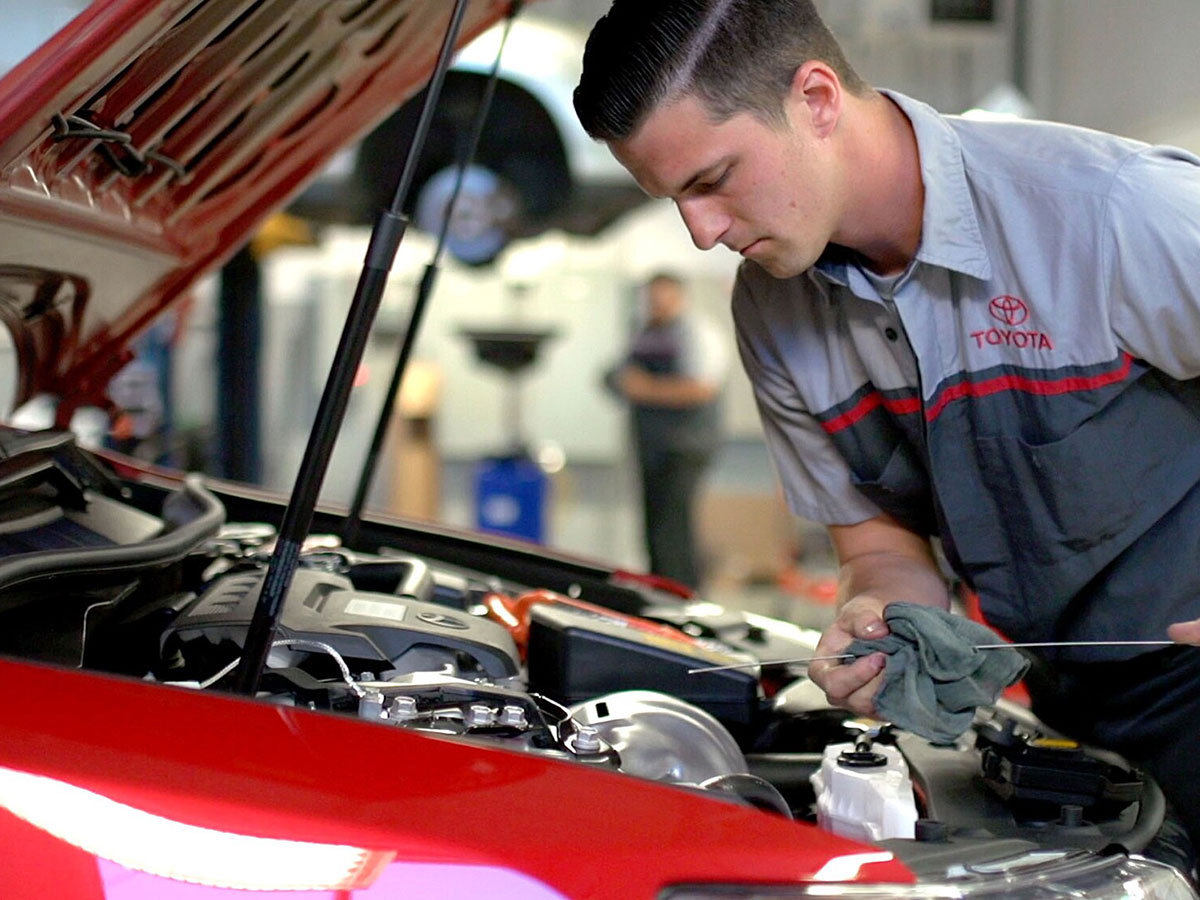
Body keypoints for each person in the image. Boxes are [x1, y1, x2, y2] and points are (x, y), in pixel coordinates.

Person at [574, 0, 1200, 851]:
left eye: (711, 180)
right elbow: (877, 546)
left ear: (819, 100)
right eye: (673, 198)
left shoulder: (1111, 213)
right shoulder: (774, 312)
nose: (700, 233)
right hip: (1067, 707)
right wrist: (880, 619)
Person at [605, 272, 728, 588]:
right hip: (649, 445)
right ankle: (659, 592)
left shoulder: (696, 333)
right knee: (655, 527)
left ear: (680, 297)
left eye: (664, 297)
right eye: (652, 299)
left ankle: (683, 596)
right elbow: (617, 375)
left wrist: (646, 389)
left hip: (685, 446)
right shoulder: (643, 333)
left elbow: (702, 388)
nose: (657, 305)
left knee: (674, 528)